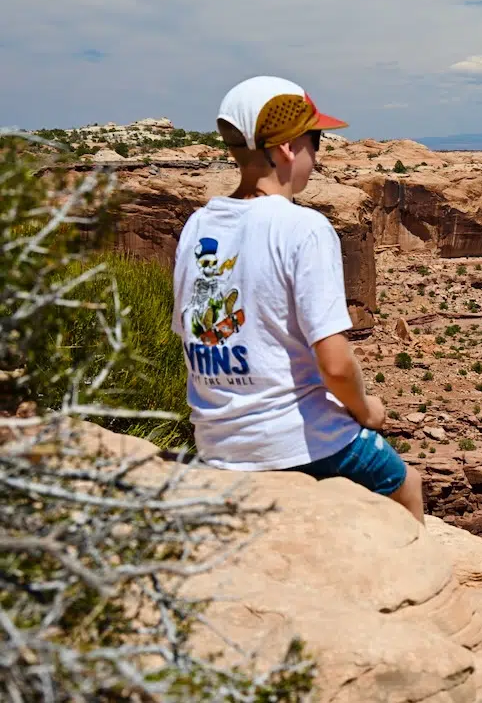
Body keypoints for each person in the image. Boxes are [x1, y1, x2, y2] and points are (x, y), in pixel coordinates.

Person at [170, 75, 423, 523]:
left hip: (218, 443)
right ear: (288, 147)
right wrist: (368, 411)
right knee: (406, 486)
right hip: (295, 441)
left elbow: (193, 338)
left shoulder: (197, 226)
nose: (318, 154)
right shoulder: (304, 228)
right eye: (317, 139)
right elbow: (336, 365)